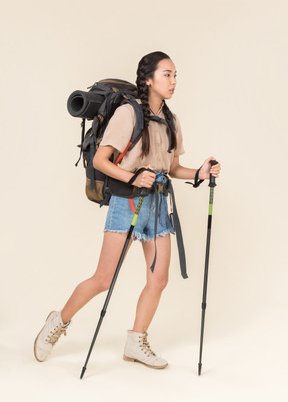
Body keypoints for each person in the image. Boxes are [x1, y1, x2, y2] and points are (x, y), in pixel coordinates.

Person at [34, 51, 221, 369]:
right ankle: (58, 321)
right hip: (129, 201)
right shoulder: (128, 114)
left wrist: (200, 173)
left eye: (175, 75)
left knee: (158, 279)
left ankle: (136, 340)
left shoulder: (172, 120)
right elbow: (100, 161)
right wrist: (134, 176)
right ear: (148, 79)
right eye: (166, 74)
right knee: (103, 278)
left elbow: (173, 168)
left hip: (158, 203)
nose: (173, 81)